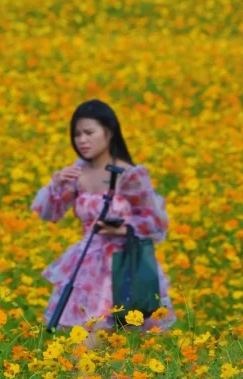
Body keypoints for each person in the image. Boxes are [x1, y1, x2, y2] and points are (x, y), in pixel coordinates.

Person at [33, 99, 175, 332]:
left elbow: (156, 223)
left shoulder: (130, 175)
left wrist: (124, 228)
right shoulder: (77, 173)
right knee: (89, 348)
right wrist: (56, 183)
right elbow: (50, 213)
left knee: (109, 348)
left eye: (89, 132)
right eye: (77, 134)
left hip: (123, 264)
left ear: (109, 133)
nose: (82, 140)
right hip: (87, 266)